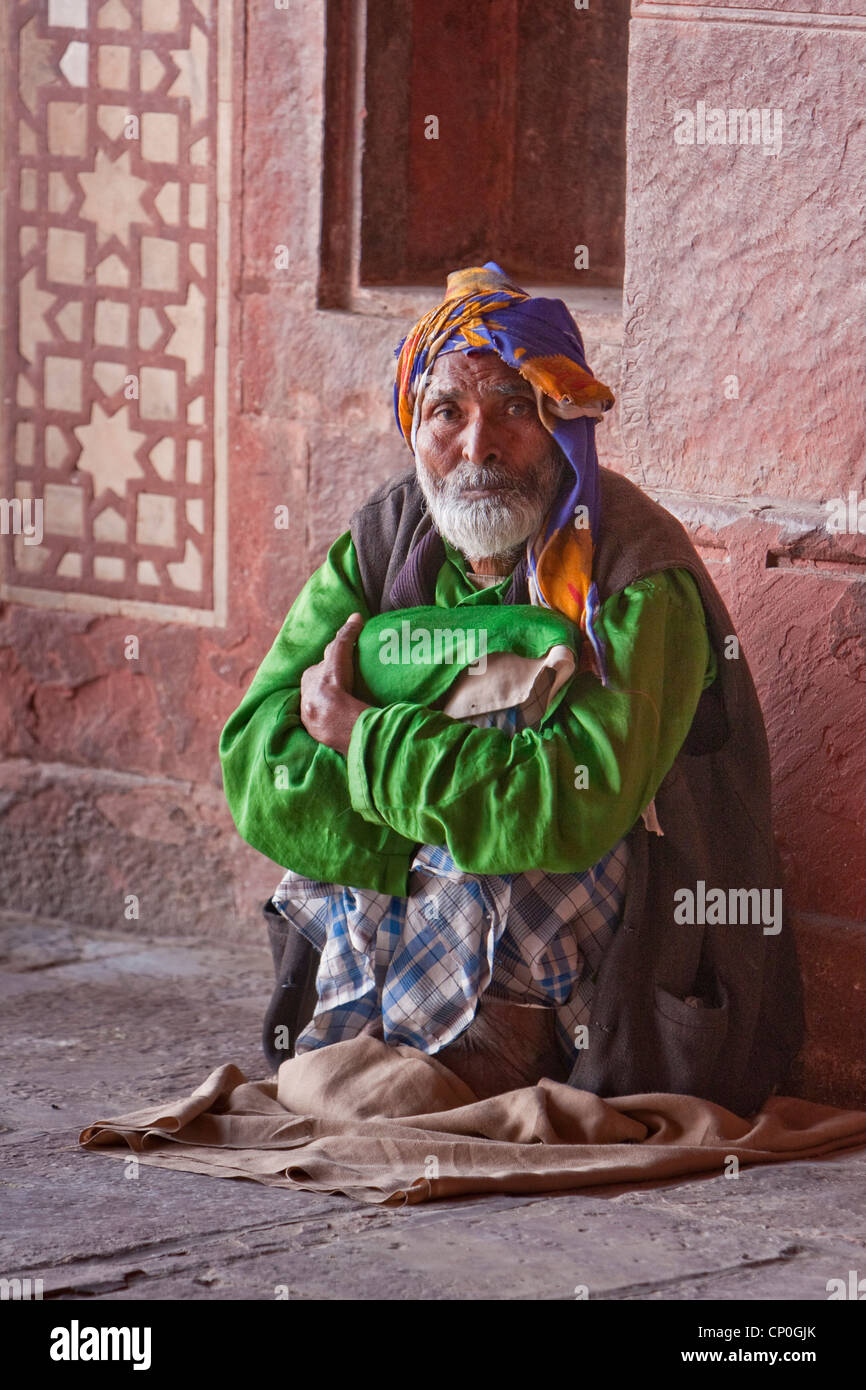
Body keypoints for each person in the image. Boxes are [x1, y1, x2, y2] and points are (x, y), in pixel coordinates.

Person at [219, 261, 804, 1114]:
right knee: (444, 818)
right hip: (422, 898)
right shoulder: (387, 541)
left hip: (628, 961)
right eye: (446, 412)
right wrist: (412, 829)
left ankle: (491, 1050)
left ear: (562, 421)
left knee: (504, 802)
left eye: (515, 409)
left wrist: (366, 738)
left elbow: (570, 803)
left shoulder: (637, 571)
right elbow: (254, 756)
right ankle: (400, 1040)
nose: (478, 447)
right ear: (412, 428)